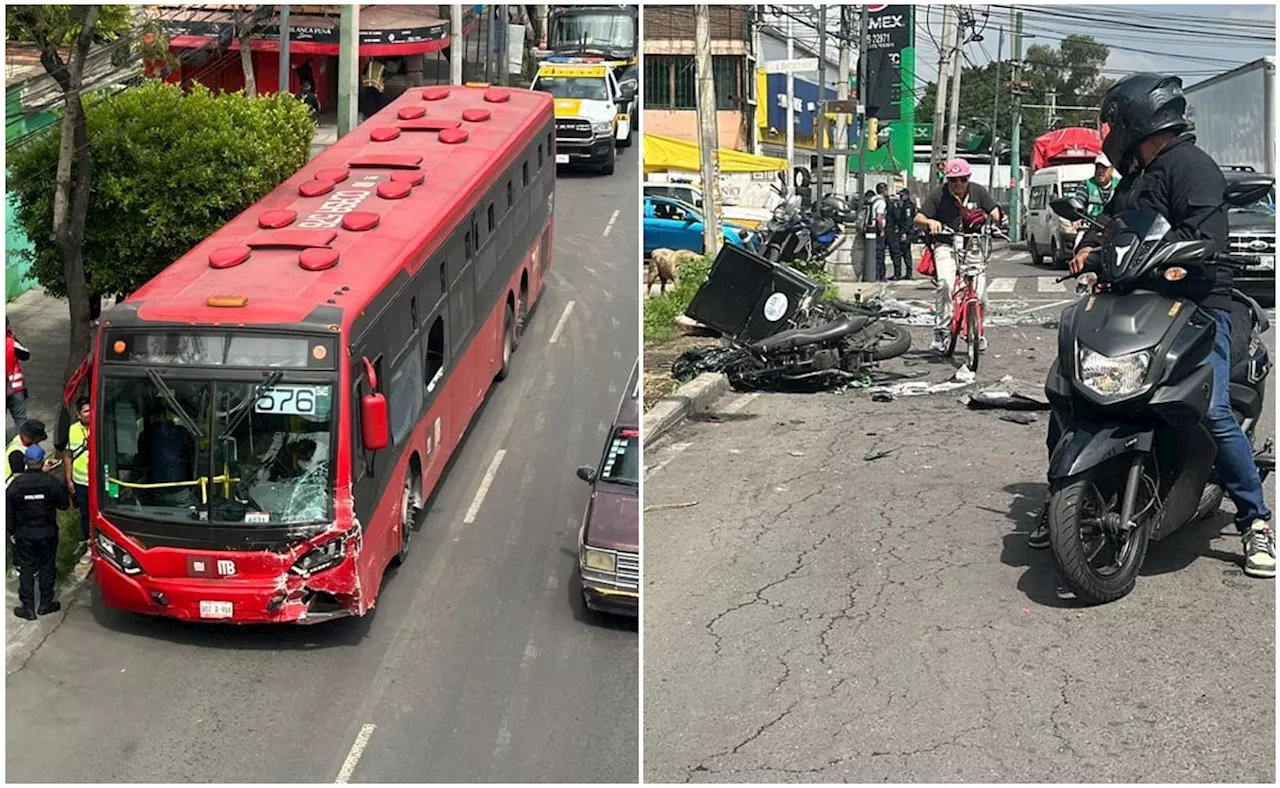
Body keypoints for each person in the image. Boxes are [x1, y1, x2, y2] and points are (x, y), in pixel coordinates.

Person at [1028, 72, 1274, 580]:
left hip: (1200, 302)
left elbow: (1205, 237)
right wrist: (1088, 250)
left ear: (1133, 120)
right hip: (1134, 301)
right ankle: (1063, 493)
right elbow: (1112, 229)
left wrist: (1180, 254)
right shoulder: (1136, 177)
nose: (1105, 131)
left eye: (1109, 121)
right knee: (1069, 391)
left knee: (1214, 410)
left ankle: (1256, 520)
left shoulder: (1192, 167)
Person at [914, 158, 1004, 353]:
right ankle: (941, 330)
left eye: (962, 179)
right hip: (946, 244)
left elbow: (995, 211)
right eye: (953, 180)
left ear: (968, 178)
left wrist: (1000, 220)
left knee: (981, 296)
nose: (958, 184)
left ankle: (978, 332)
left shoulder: (978, 191)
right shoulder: (939, 194)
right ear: (948, 180)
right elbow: (918, 218)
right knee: (945, 283)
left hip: (973, 245)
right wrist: (930, 223)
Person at [7, 444, 70, 620]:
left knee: (26, 568)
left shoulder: (16, 485)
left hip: (24, 534)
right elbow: (64, 504)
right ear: (42, 461)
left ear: (26, 462)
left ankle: (27, 607)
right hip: (47, 532)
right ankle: (46, 603)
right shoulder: (50, 482)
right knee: (46, 566)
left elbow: (9, 511)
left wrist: (11, 531)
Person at [64, 397, 92, 561]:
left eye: (91, 410)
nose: (89, 414)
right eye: (86, 411)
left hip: (99, 482)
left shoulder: (100, 426)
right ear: (78, 414)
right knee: (85, 514)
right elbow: (68, 456)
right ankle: (89, 544)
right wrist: (69, 479)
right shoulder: (73, 430)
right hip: (81, 482)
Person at [5, 419, 48, 489]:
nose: (38, 443)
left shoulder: (21, 440)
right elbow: (19, 479)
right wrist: (41, 470)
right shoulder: (16, 453)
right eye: (37, 440)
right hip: (10, 486)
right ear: (27, 437)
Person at [6, 320, 30, 435]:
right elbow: (26, 355)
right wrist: (13, 337)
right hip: (15, 389)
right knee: (20, 420)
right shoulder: (11, 343)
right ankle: (19, 447)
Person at [887, 188, 916, 280]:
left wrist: (904, 232)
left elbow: (908, 221)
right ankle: (906, 273)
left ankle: (901, 273)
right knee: (906, 252)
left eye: (902, 195)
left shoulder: (908, 206)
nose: (900, 197)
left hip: (906, 232)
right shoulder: (903, 205)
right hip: (904, 231)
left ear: (907, 196)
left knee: (900, 252)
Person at [871, 183, 890, 281]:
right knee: (880, 253)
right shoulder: (881, 202)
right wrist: (882, 230)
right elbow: (879, 218)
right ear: (884, 191)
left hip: (870, 229)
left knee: (873, 253)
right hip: (877, 230)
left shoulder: (873, 199)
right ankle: (879, 276)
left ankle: (873, 274)